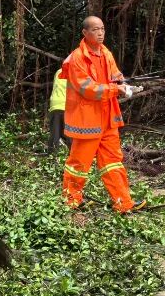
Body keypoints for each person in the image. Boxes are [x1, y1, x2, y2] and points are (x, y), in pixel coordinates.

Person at [60, 16, 144, 213]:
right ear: (85, 33)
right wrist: (116, 90)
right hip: (87, 121)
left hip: (107, 120)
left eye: (103, 29)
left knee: (113, 161)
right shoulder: (77, 58)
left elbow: (114, 76)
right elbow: (88, 89)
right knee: (79, 164)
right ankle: (71, 201)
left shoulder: (106, 53)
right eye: (96, 29)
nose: (100, 33)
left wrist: (123, 84)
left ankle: (123, 203)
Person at [47, 67, 71, 152]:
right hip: (67, 105)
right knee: (70, 134)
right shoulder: (74, 72)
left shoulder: (58, 71)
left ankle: (52, 156)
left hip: (55, 104)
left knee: (55, 134)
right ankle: (72, 156)